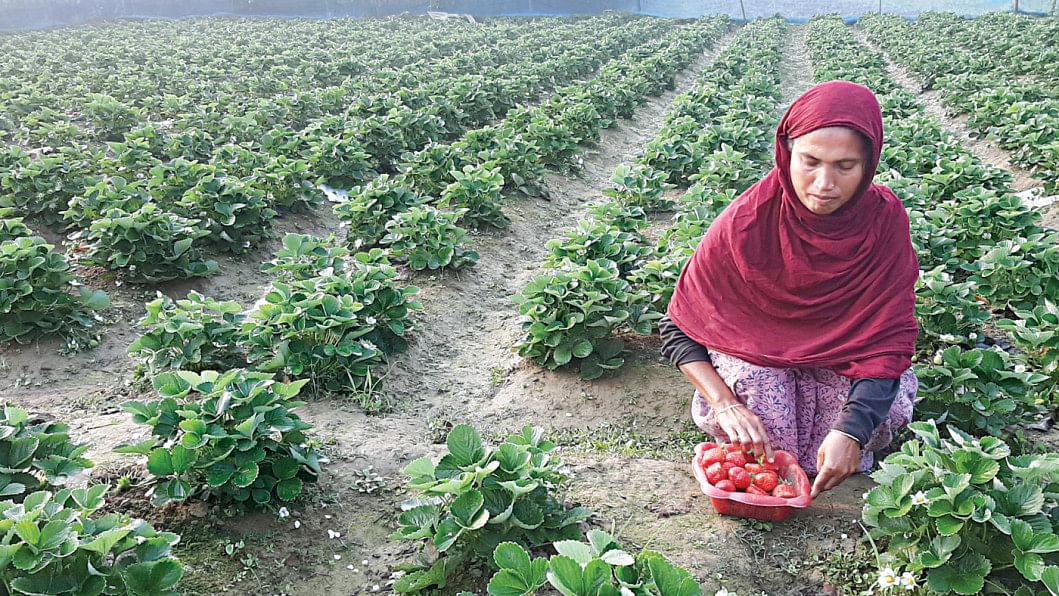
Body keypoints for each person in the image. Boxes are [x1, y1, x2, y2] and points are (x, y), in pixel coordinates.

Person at [661, 80, 919, 499]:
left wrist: (852, 431)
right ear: (786, 153)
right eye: (810, 161)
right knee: (758, 392)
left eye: (845, 166)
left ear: (869, 163)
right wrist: (725, 403)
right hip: (758, 359)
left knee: (859, 418)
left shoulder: (883, 221)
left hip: (841, 359)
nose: (824, 183)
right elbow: (678, 326)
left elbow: (888, 341)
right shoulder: (747, 222)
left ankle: (836, 447)